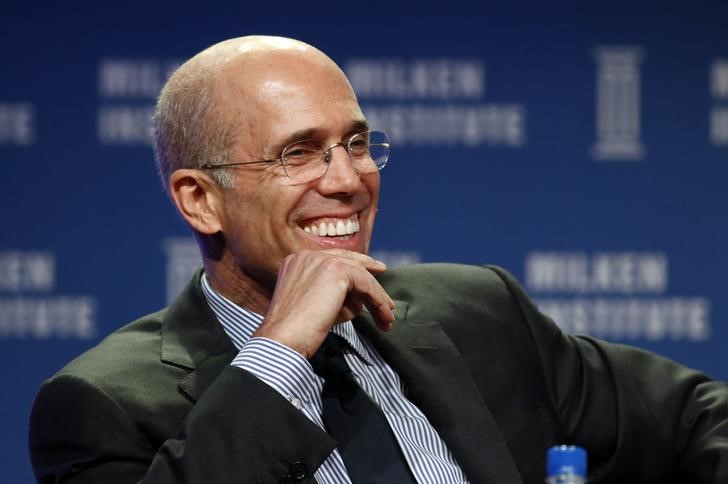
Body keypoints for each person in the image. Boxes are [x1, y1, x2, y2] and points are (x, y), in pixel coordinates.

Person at [29, 35, 728, 484]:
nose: (345, 179)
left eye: (356, 144)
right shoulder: (103, 406)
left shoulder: (477, 311)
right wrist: (280, 352)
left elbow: (699, 418)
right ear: (200, 200)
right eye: (298, 153)